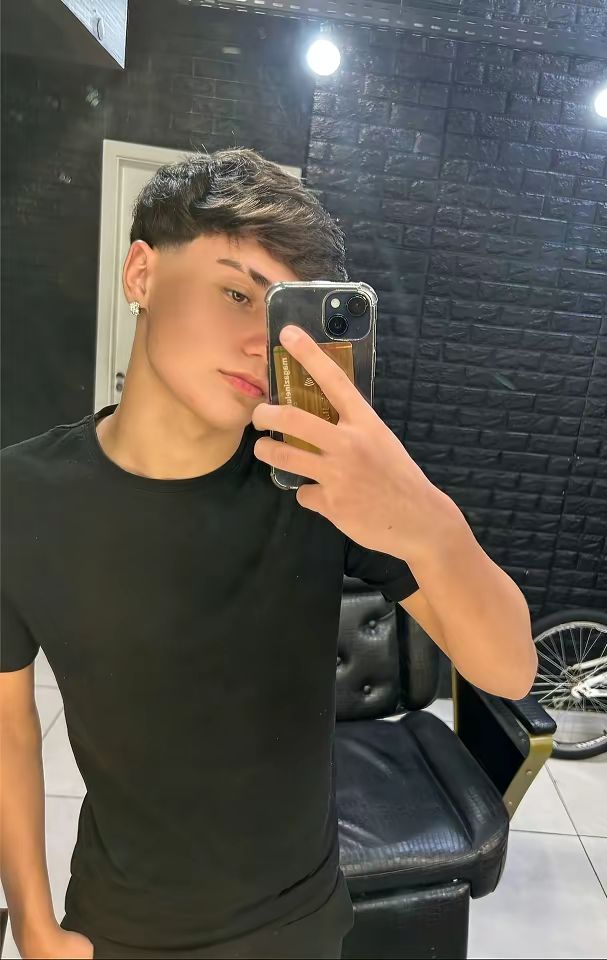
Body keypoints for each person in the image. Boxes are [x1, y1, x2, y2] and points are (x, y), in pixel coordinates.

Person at [0, 147, 422, 959]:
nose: (260, 343)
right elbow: (8, 725)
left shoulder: (313, 484)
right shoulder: (19, 498)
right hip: (120, 926)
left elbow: (510, 667)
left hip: (300, 924)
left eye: (280, 319)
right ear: (141, 273)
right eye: (236, 293)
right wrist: (33, 923)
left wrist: (423, 513)